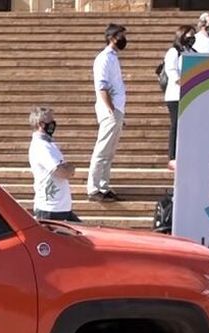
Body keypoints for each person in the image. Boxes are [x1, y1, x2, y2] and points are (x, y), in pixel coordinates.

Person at [87, 23, 127, 203]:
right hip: (110, 110)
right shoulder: (104, 58)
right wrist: (111, 109)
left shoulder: (113, 58)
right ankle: (94, 187)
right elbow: (101, 86)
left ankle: (104, 185)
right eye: (120, 35)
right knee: (102, 150)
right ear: (112, 37)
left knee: (109, 152)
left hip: (117, 109)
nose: (123, 39)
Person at [28, 106, 79, 223]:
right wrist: (70, 168)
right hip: (51, 210)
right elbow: (62, 172)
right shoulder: (41, 146)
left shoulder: (49, 144)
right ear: (41, 124)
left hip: (60, 208)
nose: (53, 124)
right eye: (50, 121)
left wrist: (68, 168)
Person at [164, 25, 197, 163]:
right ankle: (173, 156)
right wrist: (183, 83)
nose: (192, 38)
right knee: (176, 124)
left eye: (193, 35)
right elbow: (171, 71)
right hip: (176, 95)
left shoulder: (193, 52)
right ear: (182, 36)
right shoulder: (174, 52)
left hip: (190, 95)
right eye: (189, 35)